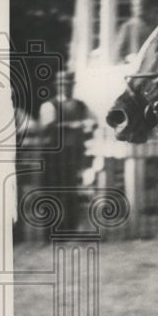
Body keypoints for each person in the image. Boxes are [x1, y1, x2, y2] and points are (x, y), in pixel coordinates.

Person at [37, 71, 96, 231]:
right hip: (55, 156)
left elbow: (92, 121)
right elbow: (47, 127)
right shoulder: (49, 105)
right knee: (54, 191)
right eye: (63, 84)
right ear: (57, 86)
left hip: (75, 154)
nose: (67, 88)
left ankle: (70, 227)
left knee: (72, 191)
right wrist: (73, 125)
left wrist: (89, 125)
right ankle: (52, 229)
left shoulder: (80, 105)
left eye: (70, 85)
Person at [114, 0, 158, 64]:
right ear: (133, 8)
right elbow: (118, 51)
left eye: (143, 6)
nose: (140, 8)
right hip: (132, 64)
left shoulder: (153, 26)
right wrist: (127, 58)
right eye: (137, 6)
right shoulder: (128, 27)